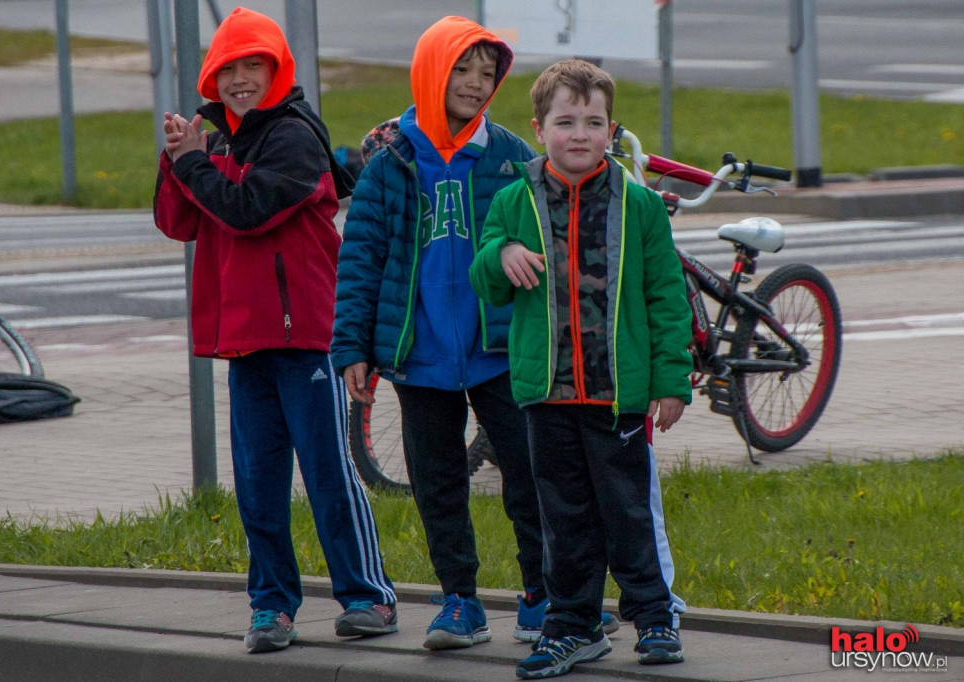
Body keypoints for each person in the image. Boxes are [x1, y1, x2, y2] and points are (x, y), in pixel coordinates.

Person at [332, 15, 608, 650]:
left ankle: (542, 595)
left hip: (502, 352)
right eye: (463, 70)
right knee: (438, 483)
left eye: (488, 74)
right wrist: (352, 346)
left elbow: (552, 238)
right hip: (418, 355)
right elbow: (361, 259)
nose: (477, 84)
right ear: (432, 70)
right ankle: (460, 601)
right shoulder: (389, 159)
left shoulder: (513, 156)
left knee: (529, 473)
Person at [153, 6, 397, 654]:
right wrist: (176, 158)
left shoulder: (292, 134)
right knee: (258, 482)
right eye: (227, 68)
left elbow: (248, 208)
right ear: (212, 75)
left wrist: (196, 164)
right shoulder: (212, 135)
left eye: (251, 65)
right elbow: (179, 222)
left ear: (276, 68)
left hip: (306, 334)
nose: (239, 79)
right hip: (244, 337)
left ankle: (368, 596)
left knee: (327, 472)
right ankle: (271, 608)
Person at [469, 59, 693, 678]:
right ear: (538, 128)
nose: (579, 134)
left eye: (593, 122)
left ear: (611, 130)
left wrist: (671, 383)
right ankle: (572, 626)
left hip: (616, 396)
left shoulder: (640, 205)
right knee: (563, 516)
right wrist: (502, 253)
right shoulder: (514, 201)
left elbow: (666, 298)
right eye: (565, 121)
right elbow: (483, 279)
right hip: (546, 394)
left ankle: (653, 617)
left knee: (627, 512)